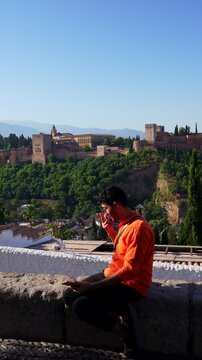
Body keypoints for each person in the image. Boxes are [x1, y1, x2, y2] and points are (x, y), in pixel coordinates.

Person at [63, 185, 154, 359]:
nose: (105, 213)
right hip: (113, 272)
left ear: (117, 206)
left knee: (80, 305)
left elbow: (130, 270)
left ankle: (124, 332)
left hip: (131, 284)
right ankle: (118, 308)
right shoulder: (126, 223)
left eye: (106, 208)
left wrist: (92, 287)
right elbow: (122, 249)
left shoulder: (139, 228)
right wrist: (111, 232)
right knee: (69, 295)